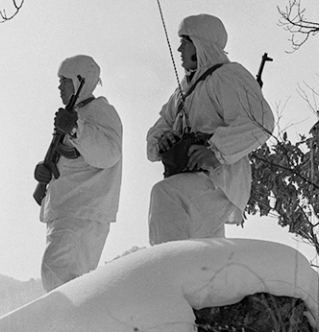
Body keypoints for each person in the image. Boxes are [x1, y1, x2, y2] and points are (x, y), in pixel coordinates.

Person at [146, 14, 274, 245]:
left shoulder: (228, 75)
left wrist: (216, 151)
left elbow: (260, 121)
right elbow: (157, 131)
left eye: (185, 42)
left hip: (219, 179)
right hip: (190, 177)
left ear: (199, 44)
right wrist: (162, 140)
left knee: (166, 195)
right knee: (204, 248)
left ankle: (168, 270)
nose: (179, 49)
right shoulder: (182, 91)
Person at [34, 55, 123, 292]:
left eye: (65, 80)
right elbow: (71, 159)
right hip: (68, 209)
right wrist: (46, 171)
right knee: (60, 279)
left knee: (58, 276)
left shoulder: (99, 111)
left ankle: (68, 327)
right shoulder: (77, 114)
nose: (60, 86)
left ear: (79, 80)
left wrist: (74, 129)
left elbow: (108, 154)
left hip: (82, 210)